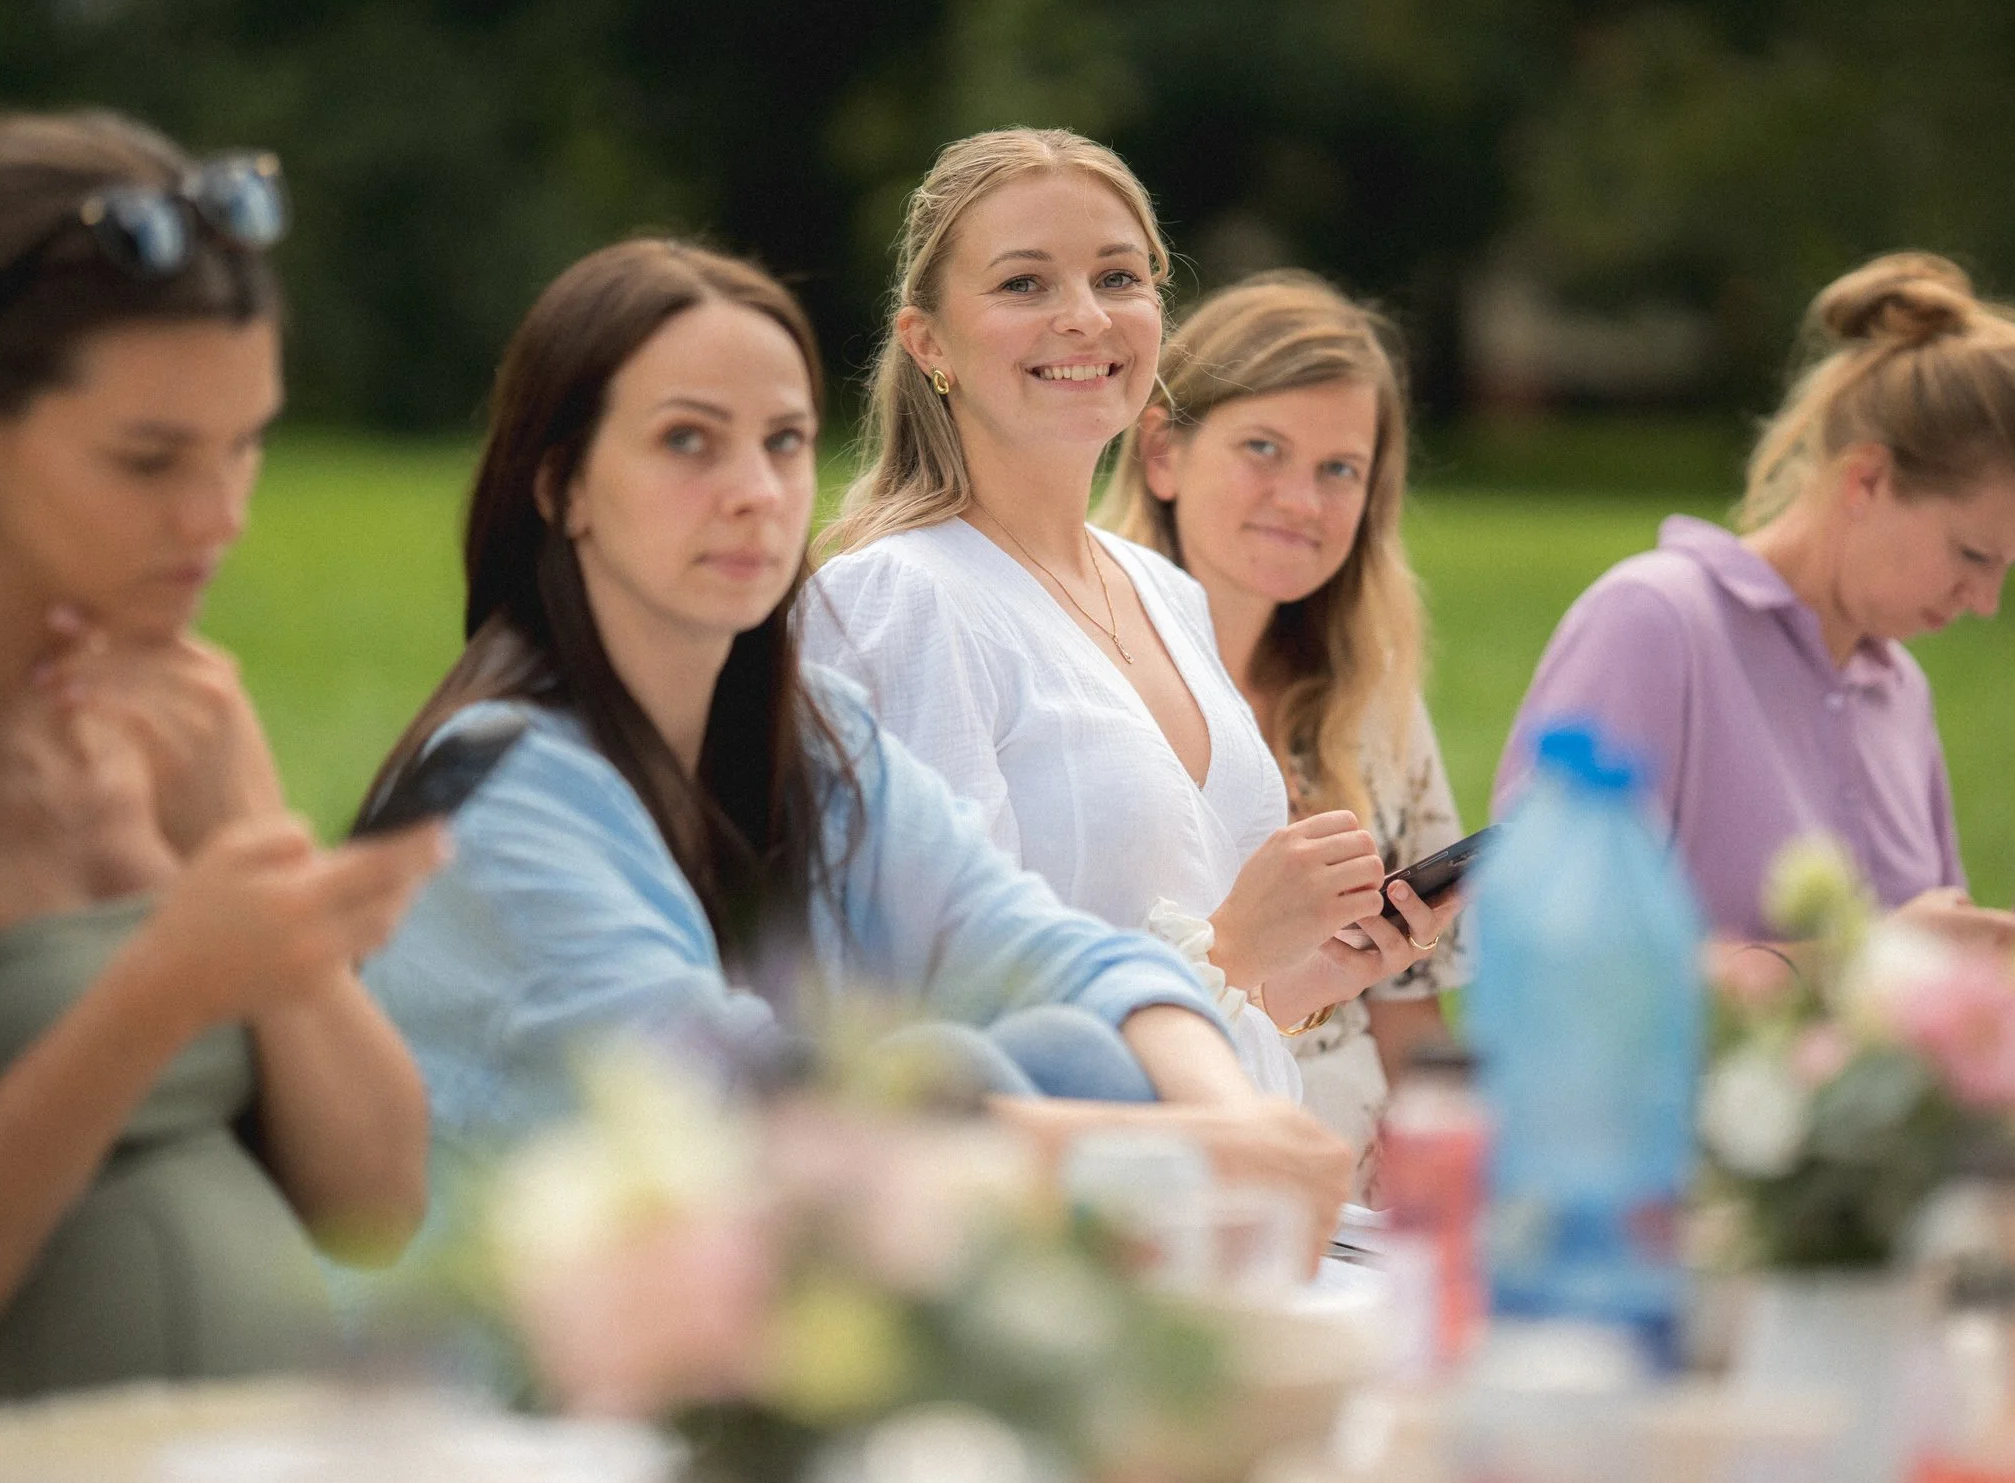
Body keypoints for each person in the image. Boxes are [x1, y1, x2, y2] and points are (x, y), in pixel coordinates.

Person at [357, 237, 1353, 1248]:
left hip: (729, 1309)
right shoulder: (500, 783)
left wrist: (1239, 1119)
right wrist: (1178, 1158)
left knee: (1073, 1048)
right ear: (561, 484)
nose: (755, 489)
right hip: (494, 1358)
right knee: (1035, 1083)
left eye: (783, 441)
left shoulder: (814, 738)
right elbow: (736, 1107)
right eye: (689, 442)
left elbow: (1035, 943)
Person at [0, 64, 445, 1431]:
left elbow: (379, 1199)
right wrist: (150, 996)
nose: (218, 517)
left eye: (247, 446)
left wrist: (252, 870)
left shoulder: (185, 705)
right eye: (149, 461)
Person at [803, 129, 1454, 1104]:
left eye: (1117, 276)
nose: (1083, 317)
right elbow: (932, 1030)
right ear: (928, 342)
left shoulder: (1163, 591)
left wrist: (1302, 973)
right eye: (1025, 284)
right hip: (1070, 1229)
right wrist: (1237, 946)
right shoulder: (900, 600)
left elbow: (1199, 966)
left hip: (1233, 1192)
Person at [1496, 251, 2015, 958]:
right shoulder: (1654, 621)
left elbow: (1895, 1004)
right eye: (1973, 554)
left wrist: (2012, 944)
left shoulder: (1898, 691)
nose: (1987, 602)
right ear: (1866, 479)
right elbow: (1548, 952)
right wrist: (1871, 961)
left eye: (2010, 569)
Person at [1099, 270, 1464, 1178]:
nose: (1303, 499)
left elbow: (1409, 1012)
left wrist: (1450, 1170)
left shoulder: (1373, 701)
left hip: (1363, 1193)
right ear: (1162, 454)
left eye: (1340, 469)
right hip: (1174, 1160)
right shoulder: (1086, 681)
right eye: (1264, 447)